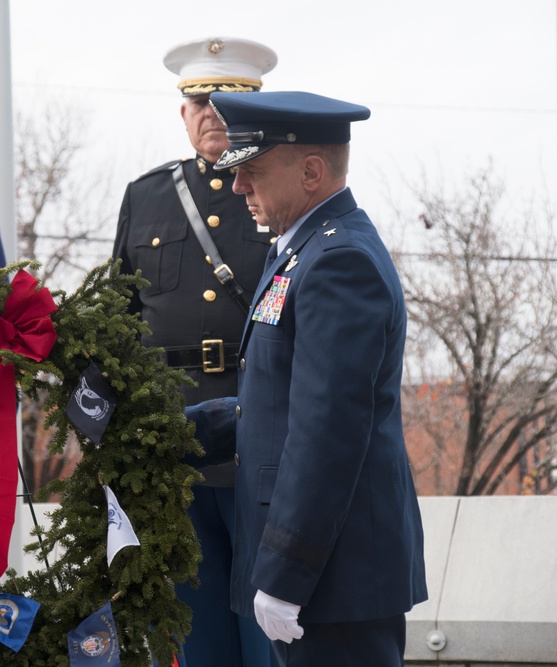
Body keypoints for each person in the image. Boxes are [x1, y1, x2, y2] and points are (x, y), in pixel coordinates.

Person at [208, 90, 428, 666]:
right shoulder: (303, 250)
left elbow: (327, 431)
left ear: (311, 171)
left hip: (336, 579)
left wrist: (285, 573)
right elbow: (277, 407)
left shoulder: (337, 261)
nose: (238, 188)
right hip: (325, 577)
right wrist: (162, 429)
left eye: (251, 172)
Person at [112, 37, 276, 666]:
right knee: (190, 621)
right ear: (182, 113)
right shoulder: (147, 195)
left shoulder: (276, 190)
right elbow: (120, 318)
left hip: (257, 427)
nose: (211, 112)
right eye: (198, 101)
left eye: (226, 101)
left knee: (265, 620)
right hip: (170, 436)